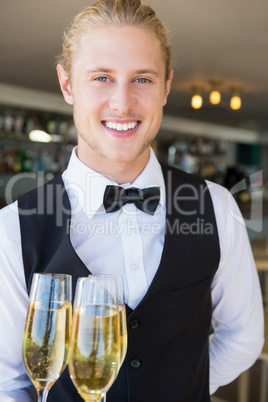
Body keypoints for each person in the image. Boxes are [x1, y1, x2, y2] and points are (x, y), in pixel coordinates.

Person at [0, 0, 264, 401]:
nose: (122, 104)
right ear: (68, 84)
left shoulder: (217, 206)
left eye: (142, 79)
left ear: (166, 87)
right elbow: (8, 382)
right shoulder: (11, 229)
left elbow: (243, 338)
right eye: (102, 77)